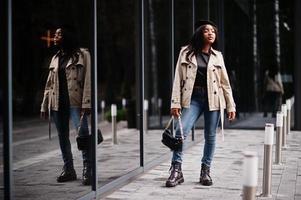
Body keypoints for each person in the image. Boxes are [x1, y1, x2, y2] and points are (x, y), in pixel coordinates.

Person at [166, 20, 236, 187]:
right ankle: (176, 170)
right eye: (206, 31)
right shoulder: (186, 53)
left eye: (213, 31)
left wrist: (230, 105)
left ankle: (205, 171)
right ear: (200, 34)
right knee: (179, 132)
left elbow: (225, 83)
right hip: (193, 98)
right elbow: (178, 79)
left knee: (210, 136)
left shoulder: (217, 56)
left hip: (213, 99)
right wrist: (175, 102)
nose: (211, 33)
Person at [40, 26, 92, 185]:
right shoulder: (55, 58)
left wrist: (87, 102)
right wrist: (44, 105)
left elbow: (88, 79)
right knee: (62, 137)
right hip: (58, 103)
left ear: (67, 36)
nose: (55, 36)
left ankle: (87, 169)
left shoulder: (82, 54)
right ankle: (68, 169)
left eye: (59, 34)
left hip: (76, 102)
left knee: (82, 135)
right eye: (55, 34)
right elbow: (49, 84)